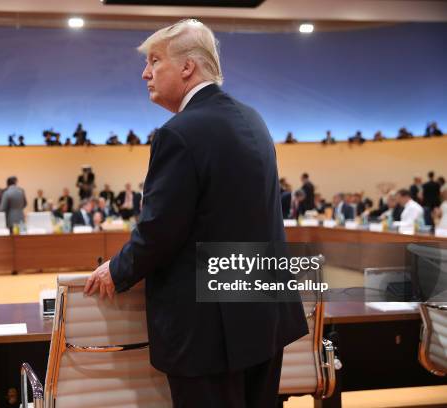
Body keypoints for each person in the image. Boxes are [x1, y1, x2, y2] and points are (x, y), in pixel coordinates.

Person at [84, 19, 306, 408]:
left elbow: (159, 230)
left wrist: (117, 269)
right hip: (264, 315)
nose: (145, 73)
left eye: (155, 61)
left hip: (208, 332)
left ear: (187, 67)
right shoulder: (254, 119)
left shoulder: (179, 132)